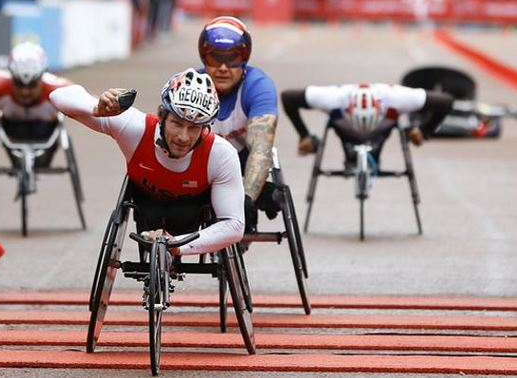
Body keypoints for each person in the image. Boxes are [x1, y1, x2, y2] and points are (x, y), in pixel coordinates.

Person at [49, 68, 245, 256]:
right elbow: (58, 97)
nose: (184, 137)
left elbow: (234, 225)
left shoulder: (221, 154)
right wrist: (96, 108)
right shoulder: (133, 127)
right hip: (145, 207)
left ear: (205, 127)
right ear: (162, 116)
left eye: (194, 128)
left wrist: (178, 246)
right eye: (177, 124)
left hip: (193, 215)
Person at [197, 15, 279, 233]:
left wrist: (247, 197)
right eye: (215, 58)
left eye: (232, 59)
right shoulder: (187, 83)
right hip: (198, 164)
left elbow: (261, 149)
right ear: (204, 57)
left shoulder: (259, 86)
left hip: (241, 162)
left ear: (244, 59)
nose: (223, 68)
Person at [281, 83, 454, 169]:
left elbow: (446, 102)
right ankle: (350, 157)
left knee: (404, 130)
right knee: (348, 155)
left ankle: (372, 156)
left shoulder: (396, 97)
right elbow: (287, 97)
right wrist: (303, 135)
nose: (363, 130)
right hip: (345, 132)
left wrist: (424, 131)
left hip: (381, 132)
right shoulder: (333, 97)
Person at [0, 41, 71, 167]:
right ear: (11, 77)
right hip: (12, 129)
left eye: (32, 85)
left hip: (46, 131)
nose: (25, 92)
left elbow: (88, 102)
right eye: (19, 84)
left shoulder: (60, 89)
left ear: (41, 78)